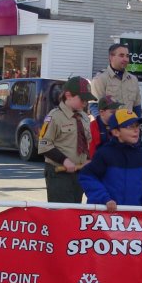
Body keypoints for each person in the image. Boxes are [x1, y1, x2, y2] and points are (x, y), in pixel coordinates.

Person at [79, 107, 142, 283]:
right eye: (130, 127)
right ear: (115, 132)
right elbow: (87, 176)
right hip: (108, 220)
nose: (136, 130)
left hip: (135, 220)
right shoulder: (105, 154)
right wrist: (104, 199)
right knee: (108, 262)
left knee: (137, 263)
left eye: (138, 126)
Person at [38, 75, 96, 204]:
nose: (85, 103)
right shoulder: (54, 117)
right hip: (59, 173)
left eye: (87, 100)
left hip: (78, 173)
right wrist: (64, 160)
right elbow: (44, 144)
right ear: (68, 95)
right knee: (62, 214)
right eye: (82, 99)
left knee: (75, 212)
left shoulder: (84, 117)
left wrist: (87, 159)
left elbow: (86, 142)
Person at [91, 43, 141, 114]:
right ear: (111, 57)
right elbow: (94, 106)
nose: (125, 59)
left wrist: (137, 124)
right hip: (110, 124)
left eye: (127, 56)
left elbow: (137, 106)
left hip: (129, 124)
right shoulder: (100, 79)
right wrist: (103, 124)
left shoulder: (133, 79)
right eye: (121, 55)